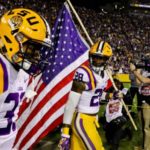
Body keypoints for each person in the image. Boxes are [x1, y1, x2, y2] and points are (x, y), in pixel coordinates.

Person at [0, 8, 51, 150]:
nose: (36, 55)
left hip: (7, 139)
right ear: (13, 38)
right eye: (32, 47)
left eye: (38, 50)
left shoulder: (21, 70)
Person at [58, 39, 114, 150]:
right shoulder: (83, 72)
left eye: (101, 58)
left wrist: (110, 96)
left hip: (92, 119)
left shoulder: (105, 74)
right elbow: (71, 104)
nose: (97, 61)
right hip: (82, 119)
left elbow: (96, 94)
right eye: (95, 57)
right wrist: (65, 133)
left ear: (107, 59)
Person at [105, 79, 132, 150]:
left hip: (119, 116)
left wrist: (123, 95)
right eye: (115, 84)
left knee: (117, 128)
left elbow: (127, 97)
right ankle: (126, 132)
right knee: (109, 134)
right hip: (109, 117)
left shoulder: (123, 91)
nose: (117, 86)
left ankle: (115, 146)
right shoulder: (108, 94)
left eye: (119, 84)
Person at [130, 60, 150, 150]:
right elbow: (139, 82)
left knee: (147, 127)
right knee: (142, 126)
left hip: (148, 103)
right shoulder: (145, 72)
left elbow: (144, 80)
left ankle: (147, 148)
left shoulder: (146, 75)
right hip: (141, 101)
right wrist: (137, 71)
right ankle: (143, 146)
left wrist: (134, 71)